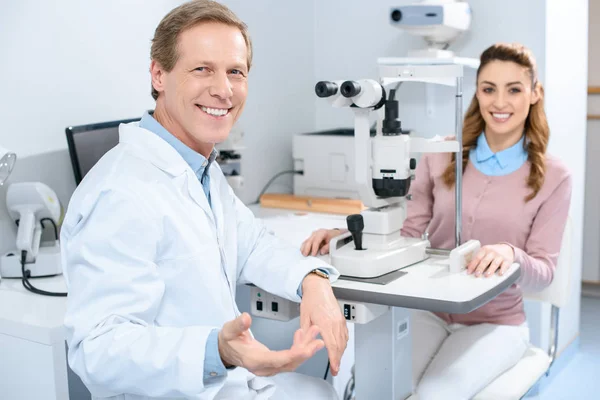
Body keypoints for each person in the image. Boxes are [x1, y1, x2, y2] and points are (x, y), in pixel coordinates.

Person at [61, 1, 347, 399]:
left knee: (323, 392)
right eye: (202, 69)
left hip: (226, 384)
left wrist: (310, 279)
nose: (224, 89)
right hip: (176, 390)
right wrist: (217, 351)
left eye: (236, 72)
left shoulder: (199, 167)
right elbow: (98, 350)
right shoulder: (120, 192)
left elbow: (253, 245)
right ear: (158, 74)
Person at [301, 43, 572, 400]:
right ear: (477, 92)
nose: (500, 102)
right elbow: (410, 231)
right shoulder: (442, 155)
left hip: (497, 323)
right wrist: (348, 238)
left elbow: (544, 271)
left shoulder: (554, 177)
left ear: (535, 93)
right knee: (377, 385)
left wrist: (511, 254)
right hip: (428, 312)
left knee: (432, 396)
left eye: (514, 89)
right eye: (489, 88)